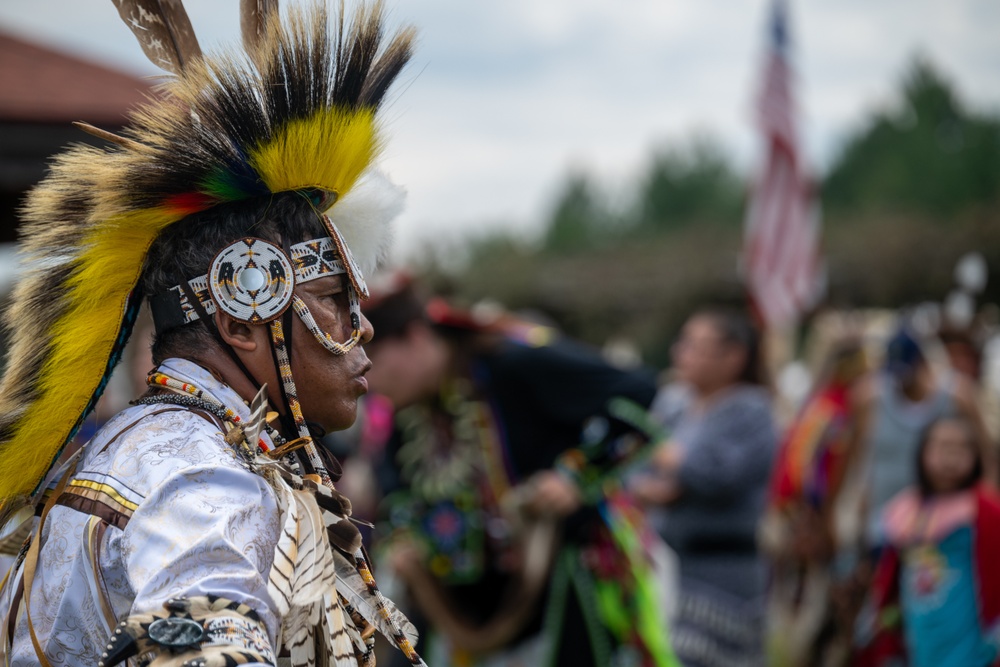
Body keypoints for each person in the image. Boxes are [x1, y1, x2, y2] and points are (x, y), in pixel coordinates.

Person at [0, 2, 425, 666]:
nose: (361, 325)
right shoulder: (199, 478)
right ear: (238, 315)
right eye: (334, 299)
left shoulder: (160, 446)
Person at [362, 282, 677, 667]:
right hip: (456, 608)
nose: (367, 376)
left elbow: (637, 392)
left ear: (415, 335)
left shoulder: (512, 363)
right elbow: (395, 489)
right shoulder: (405, 409)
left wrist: (576, 477)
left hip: (559, 579)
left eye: (373, 356)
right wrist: (399, 539)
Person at [631, 306, 777, 667]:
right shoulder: (674, 403)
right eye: (683, 343)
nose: (681, 353)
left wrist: (669, 458)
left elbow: (719, 475)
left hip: (724, 574)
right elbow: (632, 464)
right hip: (667, 568)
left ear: (734, 356)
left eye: (695, 345)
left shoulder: (751, 410)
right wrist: (652, 481)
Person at [856, 416, 1000, 667]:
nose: (951, 458)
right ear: (922, 452)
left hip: (968, 632)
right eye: (943, 447)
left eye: (962, 448)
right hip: (921, 632)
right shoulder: (907, 510)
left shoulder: (985, 511)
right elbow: (890, 573)